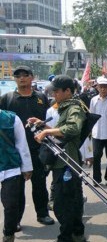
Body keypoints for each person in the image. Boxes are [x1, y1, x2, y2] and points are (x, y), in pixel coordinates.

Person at [30, 75, 87, 242]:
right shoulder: (66, 107)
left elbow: (72, 129)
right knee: (73, 199)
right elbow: (61, 131)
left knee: (63, 203)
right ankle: (77, 233)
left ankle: (66, 236)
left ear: (67, 91)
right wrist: (44, 125)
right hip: (65, 161)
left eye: (56, 91)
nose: (53, 94)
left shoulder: (74, 108)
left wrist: (47, 132)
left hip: (67, 162)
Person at [0, 66, 55, 229]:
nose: (22, 78)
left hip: (38, 148)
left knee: (40, 184)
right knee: (16, 189)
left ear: (32, 77)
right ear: (14, 79)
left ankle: (42, 214)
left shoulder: (41, 97)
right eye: (18, 76)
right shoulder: (7, 98)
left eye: (25, 75)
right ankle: (15, 220)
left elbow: (48, 121)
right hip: (14, 152)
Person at [0, 110, 33, 242]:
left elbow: (21, 143)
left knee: (11, 204)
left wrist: (26, 167)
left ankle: (8, 234)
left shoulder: (11, 118)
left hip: (10, 167)